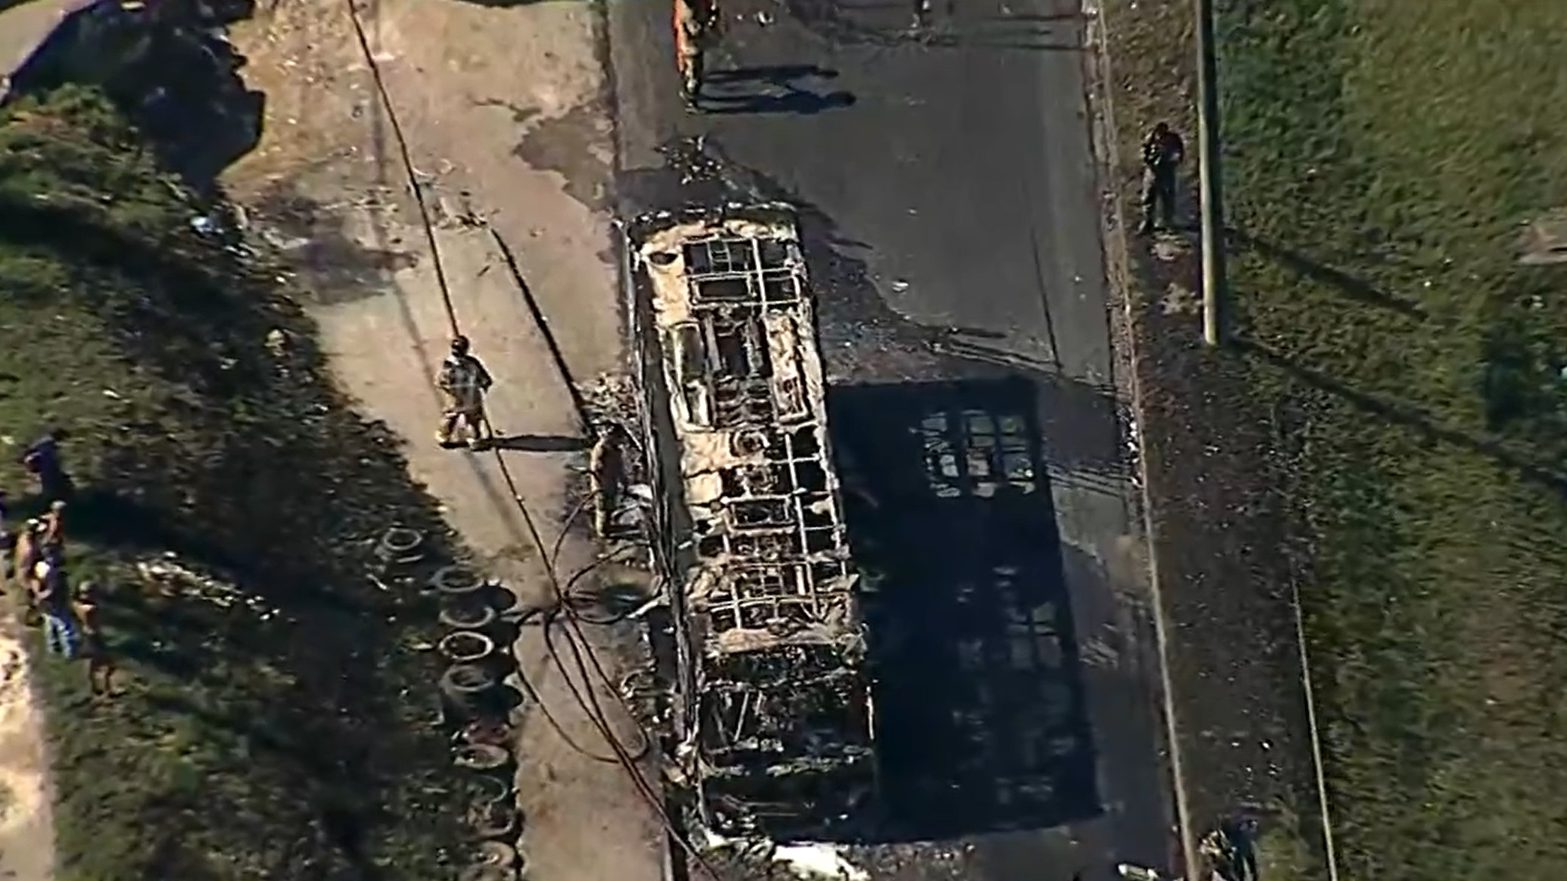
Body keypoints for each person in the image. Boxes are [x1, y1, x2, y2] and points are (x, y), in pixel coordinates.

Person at [436, 335, 495, 448]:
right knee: (473, 421)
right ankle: (474, 441)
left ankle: (443, 438)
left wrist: (449, 390)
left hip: (455, 399)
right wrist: (484, 385)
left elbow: (440, 382)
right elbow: (485, 380)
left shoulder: (448, 366)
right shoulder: (472, 363)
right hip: (472, 398)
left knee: (450, 418)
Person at [1139, 122, 1185, 234]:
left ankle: (1168, 222)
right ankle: (1148, 222)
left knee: (1167, 197)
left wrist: (1173, 160)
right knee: (1148, 197)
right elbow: (1144, 150)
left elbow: (1179, 152)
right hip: (1152, 171)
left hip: (1166, 171)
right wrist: (1148, 160)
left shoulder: (1173, 139)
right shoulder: (1151, 138)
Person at [32, 557, 80, 659]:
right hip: (56, 606)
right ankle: (70, 653)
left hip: (47, 607)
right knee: (66, 628)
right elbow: (50, 592)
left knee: (50, 626)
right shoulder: (54, 577)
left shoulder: (40, 570)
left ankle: (53, 648)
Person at [675, 0, 720, 105]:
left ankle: (690, 88)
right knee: (694, 72)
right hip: (691, 44)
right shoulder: (689, 12)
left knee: (695, 67)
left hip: (692, 43)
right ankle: (690, 96)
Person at [74, 581, 114, 696]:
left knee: (92, 664)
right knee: (110, 664)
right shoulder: (92, 608)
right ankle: (108, 689)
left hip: (85, 634)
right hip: (95, 636)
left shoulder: (78, 605)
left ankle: (94, 687)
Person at [588, 426, 625, 538]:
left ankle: (608, 526)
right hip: (602, 484)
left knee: (610, 506)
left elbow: (619, 467)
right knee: (602, 508)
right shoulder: (601, 449)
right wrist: (599, 483)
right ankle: (602, 531)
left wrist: (623, 480)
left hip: (611, 482)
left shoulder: (616, 450)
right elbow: (596, 468)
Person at [20, 428, 74, 502]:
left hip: (35, 463)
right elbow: (49, 463)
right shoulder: (47, 447)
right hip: (38, 464)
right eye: (65, 441)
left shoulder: (46, 443)